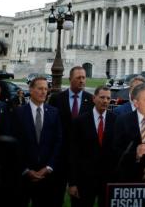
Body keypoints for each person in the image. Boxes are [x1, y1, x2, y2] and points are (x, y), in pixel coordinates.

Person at [13, 76, 63, 207]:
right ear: (30, 89)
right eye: (40, 88)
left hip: (46, 175)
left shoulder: (54, 112)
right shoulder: (18, 113)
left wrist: (49, 167)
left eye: (46, 89)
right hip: (23, 175)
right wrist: (25, 169)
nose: (43, 92)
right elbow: (14, 143)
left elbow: (58, 141)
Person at [48, 66, 94, 207]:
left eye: (83, 78)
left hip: (80, 159)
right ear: (70, 79)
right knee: (55, 197)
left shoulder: (90, 99)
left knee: (79, 199)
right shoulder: (56, 98)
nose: (82, 81)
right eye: (78, 78)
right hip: (60, 156)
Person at [68, 86, 117, 207]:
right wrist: (72, 183)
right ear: (94, 98)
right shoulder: (80, 121)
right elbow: (73, 153)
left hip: (107, 180)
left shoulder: (116, 120)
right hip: (84, 180)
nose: (105, 101)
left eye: (108, 98)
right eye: (102, 97)